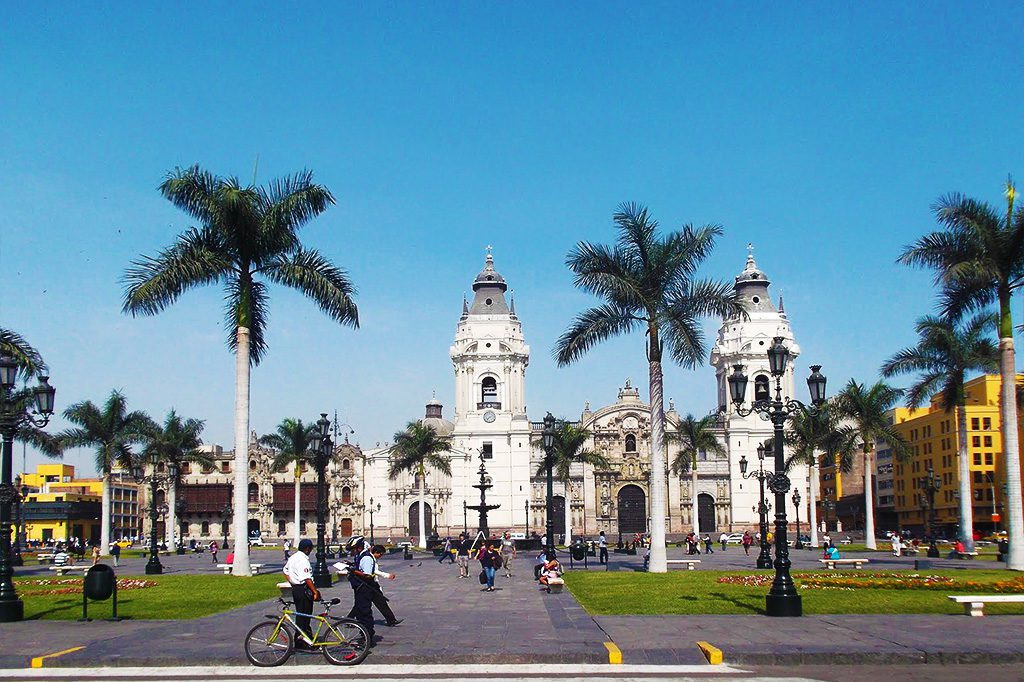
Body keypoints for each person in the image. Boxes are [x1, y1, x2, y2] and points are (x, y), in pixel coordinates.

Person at [347, 543, 402, 627]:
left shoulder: (368, 557)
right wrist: (387, 575)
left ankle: (391, 620)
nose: (380, 556)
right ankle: (350, 620)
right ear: (375, 552)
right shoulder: (368, 558)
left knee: (378, 602)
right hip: (370, 584)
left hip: (370, 584)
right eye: (380, 554)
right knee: (364, 604)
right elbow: (371, 572)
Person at [348, 543, 392, 646]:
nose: (351, 552)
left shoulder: (367, 558)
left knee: (365, 612)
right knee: (360, 612)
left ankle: (368, 638)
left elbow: (367, 575)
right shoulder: (363, 556)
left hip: (365, 589)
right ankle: (364, 635)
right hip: (362, 589)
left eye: (353, 549)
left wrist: (353, 571)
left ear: (358, 548)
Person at [284, 538, 320, 649]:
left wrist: (292, 582)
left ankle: (302, 639)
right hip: (303, 589)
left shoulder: (293, 557)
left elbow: (285, 571)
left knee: (300, 615)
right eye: (310, 549)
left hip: (296, 589)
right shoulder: (303, 560)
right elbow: (307, 578)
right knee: (305, 616)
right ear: (307, 548)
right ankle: (303, 641)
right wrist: (315, 591)